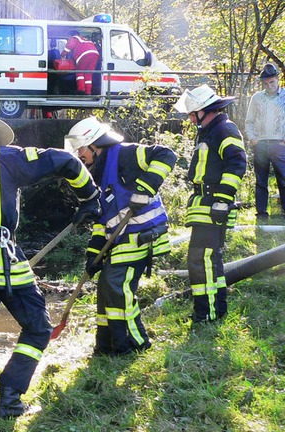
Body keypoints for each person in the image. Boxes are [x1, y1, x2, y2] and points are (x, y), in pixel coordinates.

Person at [0, 114, 101, 424]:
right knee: (39, 327)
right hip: (1, 261)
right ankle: (9, 399)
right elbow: (65, 161)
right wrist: (89, 198)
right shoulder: (5, 158)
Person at [65, 117, 176, 355]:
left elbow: (166, 155)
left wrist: (145, 190)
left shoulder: (125, 154)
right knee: (106, 286)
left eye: (81, 150)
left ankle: (136, 343)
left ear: (95, 144)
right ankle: (107, 345)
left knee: (116, 283)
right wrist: (93, 255)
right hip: (121, 237)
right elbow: (102, 222)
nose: (80, 156)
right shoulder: (98, 173)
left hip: (142, 234)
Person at [174, 84, 247, 323]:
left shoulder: (224, 130)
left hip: (214, 203)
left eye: (193, 114)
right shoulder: (209, 131)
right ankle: (212, 310)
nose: (191, 118)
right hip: (204, 203)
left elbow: (237, 165)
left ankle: (207, 312)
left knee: (201, 259)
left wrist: (223, 201)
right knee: (207, 259)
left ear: (206, 110)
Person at [245, 63, 285, 220]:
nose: (269, 86)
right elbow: (249, 121)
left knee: (283, 177)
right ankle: (261, 212)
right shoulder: (257, 98)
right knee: (261, 179)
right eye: (266, 83)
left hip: (279, 144)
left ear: (277, 79)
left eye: (272, 82)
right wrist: (252, 138)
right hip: (260, 144)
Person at [60, 30, 99, 95]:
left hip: (84, 54)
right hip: (95, 54)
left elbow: (69, 46)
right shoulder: (85, 39)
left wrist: (63, 54)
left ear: (71, 35)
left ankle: (81, 89)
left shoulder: (74, 38)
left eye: (68, 37)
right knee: (88, 73)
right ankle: (88, 92)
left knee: (79, 72)